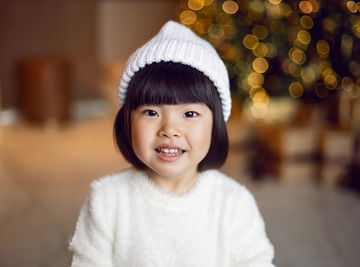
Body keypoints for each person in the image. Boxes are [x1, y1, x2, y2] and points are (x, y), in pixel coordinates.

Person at [69, 20, 275, 267]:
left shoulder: (234, 204)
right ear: (127, 122)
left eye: (189, 114)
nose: (169, 130)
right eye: (151, 113)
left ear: (215, 125)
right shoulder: (106, 201)